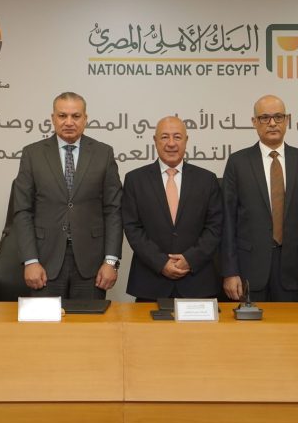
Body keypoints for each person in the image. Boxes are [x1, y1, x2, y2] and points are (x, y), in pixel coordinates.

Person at [221, 94, 298, 302]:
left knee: (294, 325)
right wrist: (229, 271)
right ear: (254, 122)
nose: (272, 123)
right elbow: (227, 221)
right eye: (264, 118)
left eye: (278, 117)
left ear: (287, 120)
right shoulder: (238, 162)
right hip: (248, 269)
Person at [13, 92, 122, 299]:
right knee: (44, 321)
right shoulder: (32, 154)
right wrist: (30, 261)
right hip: (44, 261)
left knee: (88, 321)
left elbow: (113, 211)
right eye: (62, 116)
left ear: (85, 119)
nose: (69, 122)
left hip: (92, 263)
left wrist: (111, 261)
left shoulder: (103, 153)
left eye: (76, 116)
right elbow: (22, 211)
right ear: (53, 118)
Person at [122, 116, 222, 301]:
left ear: (186, 140)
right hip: (150, 282)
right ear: (155, 141)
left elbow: (215, 227)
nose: (171, 143)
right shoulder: (135, 180)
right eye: (164, 137)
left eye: (177, 137)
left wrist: (190, 260)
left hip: (197, 282)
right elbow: (132, 228)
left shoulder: (207, 180)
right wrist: (161, 263)